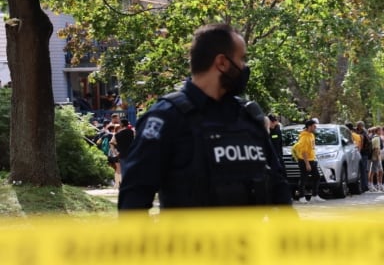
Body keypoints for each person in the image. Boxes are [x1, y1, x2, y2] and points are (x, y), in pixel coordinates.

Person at [118, 23, 291, 211]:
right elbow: (134, 199)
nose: (244, 67)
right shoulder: (166, 118)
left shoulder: (248, 116)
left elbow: (278, 187)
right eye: (241, 59)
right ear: (222, 63)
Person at [293, 119, 326, 203]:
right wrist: (307, 164)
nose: (315, 128)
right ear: (309, 126)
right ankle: (301, 197)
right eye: (314, 126)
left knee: (317, 176)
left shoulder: (311, 135)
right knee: (303, 179)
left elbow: (312, 148)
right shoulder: (304, 137)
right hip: (304, 161)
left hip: (312, 160)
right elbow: (303, 152)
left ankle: (314, 195)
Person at [111, 119, 135, 187]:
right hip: (131, 153)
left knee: (123, 169)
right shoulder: (131, 132)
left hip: (122, 154)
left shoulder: (118, 134)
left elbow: (112, 142)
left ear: (121, 124)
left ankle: (125, 184)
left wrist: (116, 152)